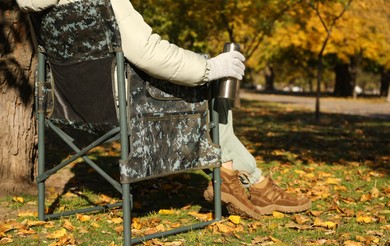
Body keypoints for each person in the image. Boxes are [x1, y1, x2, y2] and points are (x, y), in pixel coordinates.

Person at [16, 0, 311, 219]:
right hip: (131, 105)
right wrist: (209, 67)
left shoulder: (34, 9)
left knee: (205, 82)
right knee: (213, 88)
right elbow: (148, 52)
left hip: (68, 106)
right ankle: (244, 181)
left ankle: (250, 181)